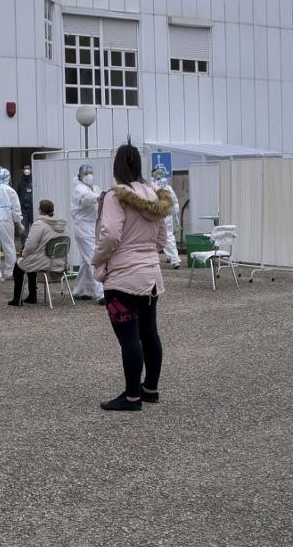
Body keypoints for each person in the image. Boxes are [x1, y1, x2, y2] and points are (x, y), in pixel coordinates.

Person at [92, 143, 174, 411]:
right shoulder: (153, 194)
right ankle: (149, 388)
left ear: (116, 167)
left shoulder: (116, 196)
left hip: (123, 277)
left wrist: (98, 259)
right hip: (150, 276)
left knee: (129, 337)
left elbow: (111, 234)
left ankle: (131, 397)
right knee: (149, 332)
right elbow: (162, 238)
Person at [8, 200, 68, 306]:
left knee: (19, 266)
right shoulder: (60, 224)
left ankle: (18, 298)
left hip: (45, 261)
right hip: (59, 261)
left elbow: (30, 245)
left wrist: (24, 253)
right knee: (30, 262)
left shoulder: (39, 224)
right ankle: (32, 295)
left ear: (40, 210)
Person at [70, 163, 105, 303]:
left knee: (87, 261)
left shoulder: (94, 188)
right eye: (86, 173)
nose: (89, 175)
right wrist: (98, 197)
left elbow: (97, 197)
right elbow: (86, 199)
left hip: (92, 227)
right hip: (83, 228)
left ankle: (78, 290)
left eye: (90, 172)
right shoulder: (79, 188)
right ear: (80, 175)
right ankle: (101, 293)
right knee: (92, 259)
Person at [0, 168, 24, 282]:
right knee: (9, 246)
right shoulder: (10, 191)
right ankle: (10, 272)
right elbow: (16, 210)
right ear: (8, 178)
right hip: (5, 221)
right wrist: (19, 223)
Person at [153, 166, 182, 269]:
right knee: (168, 237)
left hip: (159, 215)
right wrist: (174, 214)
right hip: (167, 214)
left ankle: (174, 259)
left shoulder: (154, 187)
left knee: (160, 237)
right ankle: (173, 258)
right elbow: (175, 203)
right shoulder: (167, 187)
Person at [16, 164, 34, 245]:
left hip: (32, 209)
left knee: (36, 228)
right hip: (23, 209)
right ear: (23, 170)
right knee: (24, 229)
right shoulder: (20, 183)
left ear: (30, 169)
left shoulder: (34, 181)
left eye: (28, 168)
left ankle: (35, 246)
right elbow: (17, 195)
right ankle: (24, 246)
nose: (26, 170)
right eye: (25, 168)